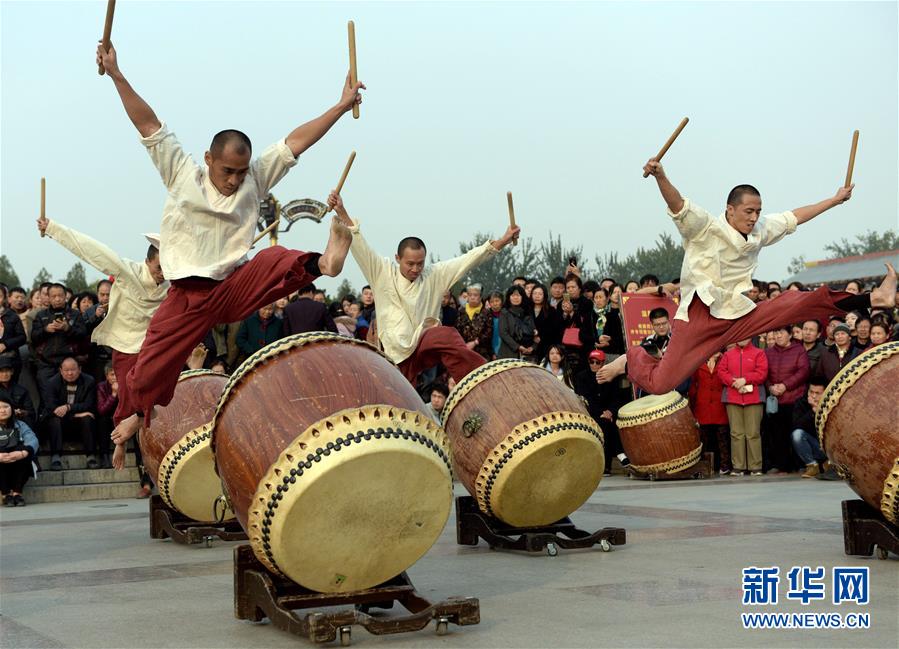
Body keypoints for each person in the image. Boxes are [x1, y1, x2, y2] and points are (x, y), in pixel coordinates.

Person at [97, 43, 361, 453]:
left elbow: (296, 142)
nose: (235, 180)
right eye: (227, 171)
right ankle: (135, 414)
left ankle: (325, 262)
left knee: (273, 259)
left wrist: (340, 106)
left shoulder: (255, 177)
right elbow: (148, 123)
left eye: (241, 172)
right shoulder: (183, 171)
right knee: (149, 366)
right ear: (208, 159)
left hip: (231, 286)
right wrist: (117, 74)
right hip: (188, 296)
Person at [598, 159, 896, 392]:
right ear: (730, 210)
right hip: (700, 316)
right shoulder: (705, 228)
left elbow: (795, 217)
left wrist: (834, 200)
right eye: (749, 211)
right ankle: (630, 359)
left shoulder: (760, 229)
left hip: (737, 314)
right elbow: (678, 205)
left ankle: (874, 297)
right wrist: (661, 176)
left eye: (758, 211)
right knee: (662, 384)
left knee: (796, 303)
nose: (754, 218)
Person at [328, 192, 519, 384]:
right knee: (403, 398)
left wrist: (503, 240)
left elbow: (469, 259)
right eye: (410, 264)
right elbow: (359, 243)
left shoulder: (433, 275)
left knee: (446, 335)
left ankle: (480, 380)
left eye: (420, 263)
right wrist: (341, 210)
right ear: (397, 258)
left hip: (422, 345)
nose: (415, 269)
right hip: (393, 356)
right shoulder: (381, 272)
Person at [37, 219, 169, 458]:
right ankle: (121, 437)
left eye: (168, 268)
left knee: (157, 391)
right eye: (159, 267)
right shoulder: (127, 271)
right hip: (125, 344)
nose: (162, 273)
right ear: (148, 260)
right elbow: (90, 250)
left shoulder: (172, 286)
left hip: (153, 346)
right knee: (127, 394)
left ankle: (144, 430)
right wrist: (53, 229)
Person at [764, 325, 810, 473]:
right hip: (776, 400)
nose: (778, 336)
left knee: (795, 431)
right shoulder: (768, 352)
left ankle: (799, 464)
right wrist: (770, 387)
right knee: (777, 434)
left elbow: (803, 371)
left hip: (794, 398)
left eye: (781, 333)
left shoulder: (799, 350)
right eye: (776, 332)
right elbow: (765, 373)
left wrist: (785, 385)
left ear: (790, 335)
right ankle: (780, 465)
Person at [718, 339, 768, 476]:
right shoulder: (728, 355)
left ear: (751, 337)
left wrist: (745, 379)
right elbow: (721, 371)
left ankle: (755, 466)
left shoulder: (759, 353)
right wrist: (733, 382)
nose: (743, 339)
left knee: (753, 433)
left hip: (754, 398)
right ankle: (738, 466)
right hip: (733, 397)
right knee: (736, 433)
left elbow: (762, 373)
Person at [30, 283, 88, 399]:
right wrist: (46, 330)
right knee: (47, 397)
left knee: (68, 397)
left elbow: (83, 335)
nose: (57, 299)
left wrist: (67, 328)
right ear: (48, 298)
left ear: (65, 296)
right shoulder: (41, 315)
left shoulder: (75, 314)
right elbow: (33, 337)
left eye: (60, 296)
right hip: (46, 363)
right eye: (53, 296)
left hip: (69, 363)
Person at [573, 350, 626, 476]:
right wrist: (602, 412)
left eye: (598, 362)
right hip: (590, 411)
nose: (594, 364)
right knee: (606, 424)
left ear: (603, 363)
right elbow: (585, 398)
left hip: (608, 412)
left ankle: (609, 463)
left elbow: (616, 397)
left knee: (609, 424)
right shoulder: (582, 376)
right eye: (592, 362)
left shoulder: (610, 376)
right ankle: (619, 454)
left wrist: (610, 411)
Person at [41, 358, 98, 470]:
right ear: (61, 371)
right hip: (60, 421)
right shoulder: (52, 383)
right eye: (66, 370)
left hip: (79, 423)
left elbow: (89, 405)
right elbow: (52, 408)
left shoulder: (89, 381)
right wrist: (75, 414)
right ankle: (55, 456)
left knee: (87, 419)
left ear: (80, 369)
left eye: (73, 369)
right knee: (54, 419)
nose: (70, 373)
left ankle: (91, 455)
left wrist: (68, 407)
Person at [688, 352, 731, 475]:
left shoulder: (726, 359)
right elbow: (693, 385)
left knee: (723, 438)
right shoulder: (699, 361)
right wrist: (693, 403)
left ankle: (725, 466)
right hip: (703, 405)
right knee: (704, 439)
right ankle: (705, 467)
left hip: (720, 404)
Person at [0, 393, 39, 506]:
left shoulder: (20, 425)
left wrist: (22, 453)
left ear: (12, 409)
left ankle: (17, 493)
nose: (3, 410)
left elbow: (33, 440)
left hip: (17, 464)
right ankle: (6, 494)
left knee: (24, 449)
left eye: (6, 407)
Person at [790, 378, 829, 479]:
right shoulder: (801, 403)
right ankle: (812, 465)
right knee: (797, 434)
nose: (814, 396)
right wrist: (813, 411)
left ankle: (829, 463)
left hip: (828, 448)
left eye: (818, 393)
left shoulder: (830, 403)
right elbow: (797, 425)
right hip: (813, 445)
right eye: (811, 392)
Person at [454, 284, 493, 361]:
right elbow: (456, 330)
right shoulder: (461, 311)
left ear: (480, 297)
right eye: (470, 295)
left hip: (482, 352)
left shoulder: (486, 312)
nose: (472, 297)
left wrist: (475, 342)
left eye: (475, 295)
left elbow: (488, 332)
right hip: (464, 350)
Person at [498, 286, 536, 360]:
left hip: (528, 354)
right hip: (508, 353)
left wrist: (533, 347)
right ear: (509, 297)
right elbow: (503, 333)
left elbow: (534, 331)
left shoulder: (528, 311)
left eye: (518, 295)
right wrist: (518, 347)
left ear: (522, 297)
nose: (515, 298)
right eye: (513, 295)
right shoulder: (504, 312)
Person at [0, 357, 36, 429]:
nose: (4, 374)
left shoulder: (21, 390)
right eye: (1, 371)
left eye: (7, 371)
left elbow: (31, 412)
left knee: (28, 420)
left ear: (12, 372)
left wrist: (21, 412)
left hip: (17, 421)